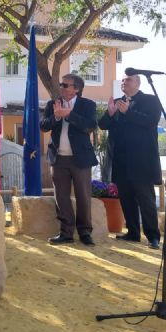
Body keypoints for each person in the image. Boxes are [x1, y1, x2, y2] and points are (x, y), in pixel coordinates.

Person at [98, 74, 162, 249]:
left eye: (128, 80)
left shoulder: (151, 100)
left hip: (142, 161)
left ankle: (152, 236)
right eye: (123, 80)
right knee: (126, 198)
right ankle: (133, 233)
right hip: (120, 160)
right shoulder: (117, 101)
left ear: (138, 83)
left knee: (146, 199)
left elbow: (151, 122)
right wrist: (110, 114)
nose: (124, 82)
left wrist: (129, 112)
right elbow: (103, 125)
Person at [40, 74, 98, 246]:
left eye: (66, 85)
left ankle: (85, 232)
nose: (62, 87)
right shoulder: (53, 104)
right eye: (61, 84)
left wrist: (70, 115)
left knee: (83, 196)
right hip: (58, 158)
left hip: (80, 159)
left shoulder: (88, 105)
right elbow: (43, 126)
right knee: (61, 197)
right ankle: (66, 233)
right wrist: (57, 116)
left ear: (76, 89)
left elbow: (90, 126)